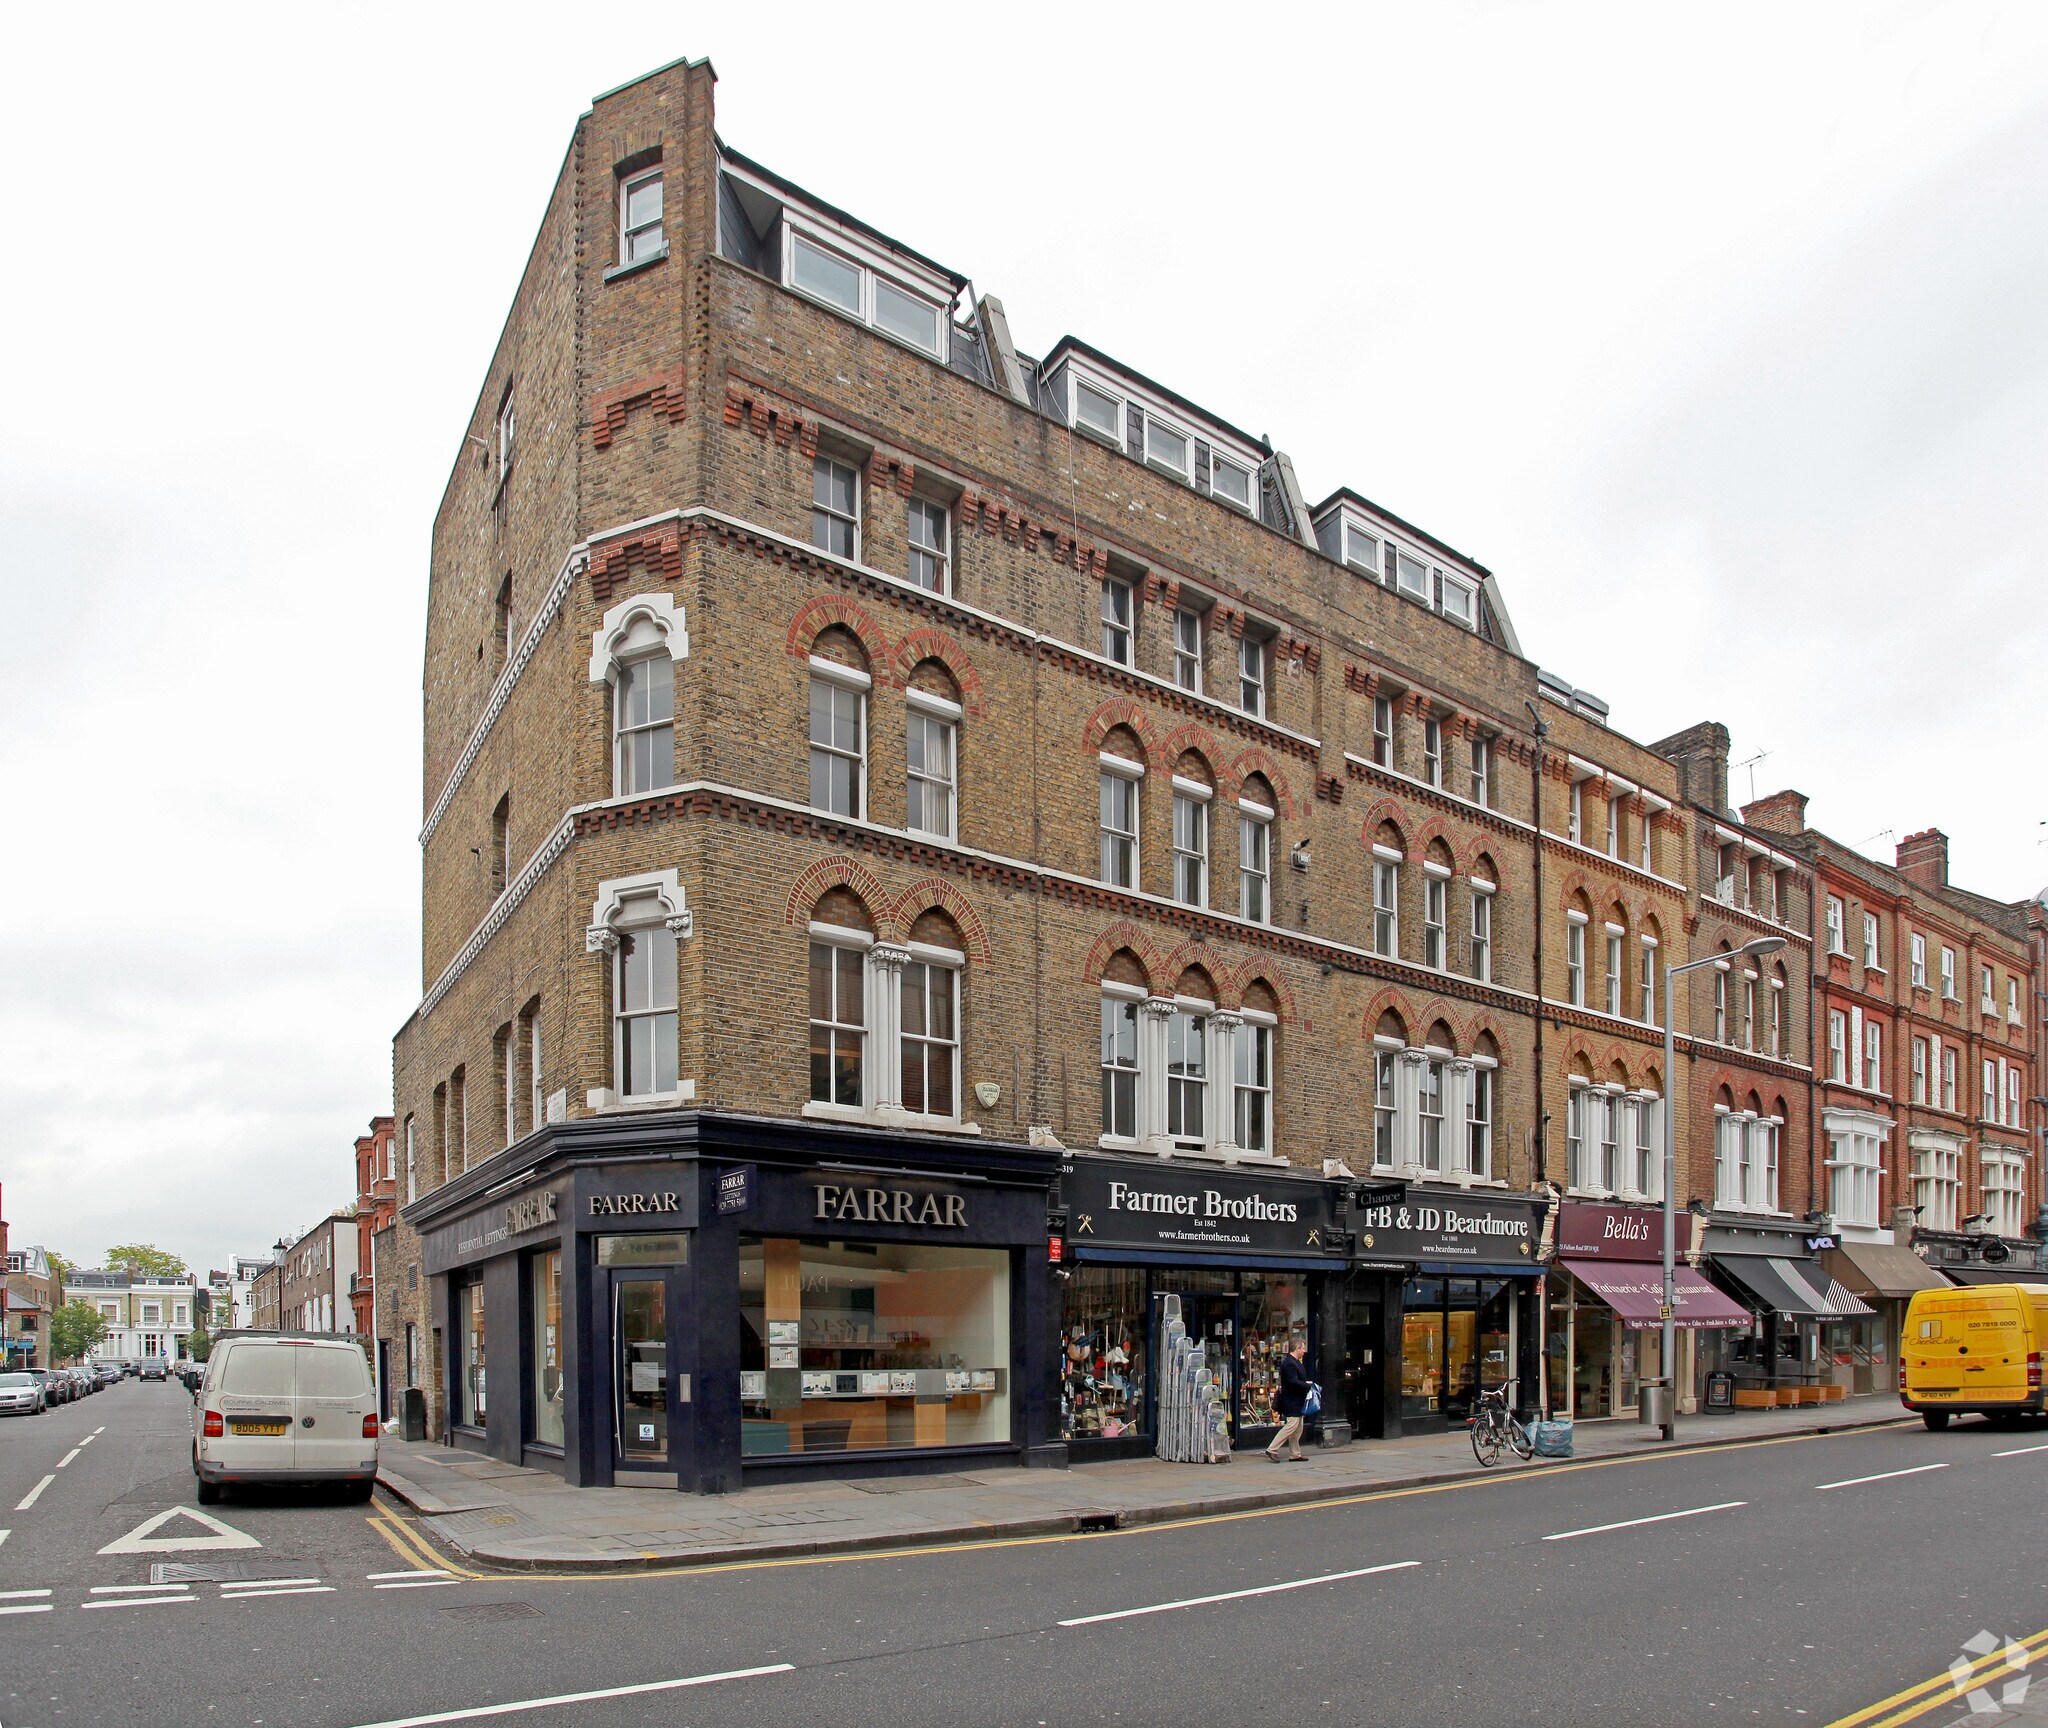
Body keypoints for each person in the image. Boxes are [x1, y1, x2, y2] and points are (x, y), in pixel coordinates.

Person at [1266, 1340, 1312, 1461]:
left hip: (1297, 1400)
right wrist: (1306, 1385)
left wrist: (1305, 1383)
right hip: (1292, 1400)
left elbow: (1295, 1380)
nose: (1304, 1351)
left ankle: (1295, 1454)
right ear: (1297, 1348)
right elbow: (1292, 1382)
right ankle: (1272, 1449)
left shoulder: (1295, 1362)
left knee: (1298, 1429)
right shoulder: (1289, 1363)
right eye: (1302, 1348)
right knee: (1291, 1426)